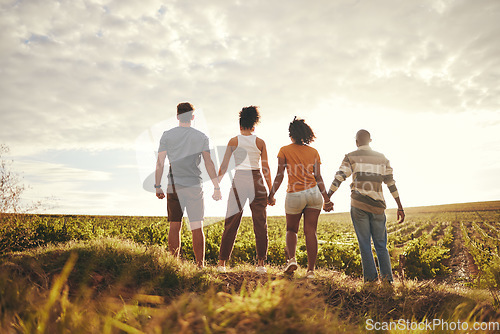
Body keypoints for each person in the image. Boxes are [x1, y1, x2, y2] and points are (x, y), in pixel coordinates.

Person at [326, 129, 405, 283]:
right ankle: (388, 280)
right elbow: (391, 184)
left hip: (359, 205)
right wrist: (399, 206)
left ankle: (370, 280)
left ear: (356, 142)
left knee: (364, 244)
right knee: (381, 245)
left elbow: (339, 177)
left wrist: (328, 196)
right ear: (370, 140)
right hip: (378, 207)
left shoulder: (350, 157)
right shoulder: (382, 158)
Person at [155, 102, 221, 268]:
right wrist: (216, 186)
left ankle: (173, 265)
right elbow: (209, 163)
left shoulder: (167, 135)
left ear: (177, 116)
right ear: (192, 116)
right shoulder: (201, 137)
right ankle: (200, 266)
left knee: (174, 225)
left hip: (174, 185)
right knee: (197, 226)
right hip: (194, 186)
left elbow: (160, 162)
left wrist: (157, 185)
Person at [268, 117, 333, 278]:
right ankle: (311, 271)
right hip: (313, 193)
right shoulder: (313, 152)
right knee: (311, 232)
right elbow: (318, 177)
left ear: (291, 134)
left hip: (294, 194)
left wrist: (271, 194)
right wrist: (327, 199)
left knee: (291, 229)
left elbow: (280, 175)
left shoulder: (284, 150)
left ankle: (291, 259)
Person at [217, 106, 272, 274]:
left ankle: (221, 264)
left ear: (240, 126)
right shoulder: (260, 142)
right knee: (260, 223)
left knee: (231, 222)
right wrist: (271, 191)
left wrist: (216, 186)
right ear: (254, 126)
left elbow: (224, 166)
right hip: (257, 181)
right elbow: (266, 169)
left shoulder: (234, 141)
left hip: (240, 179)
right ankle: (261, 264)